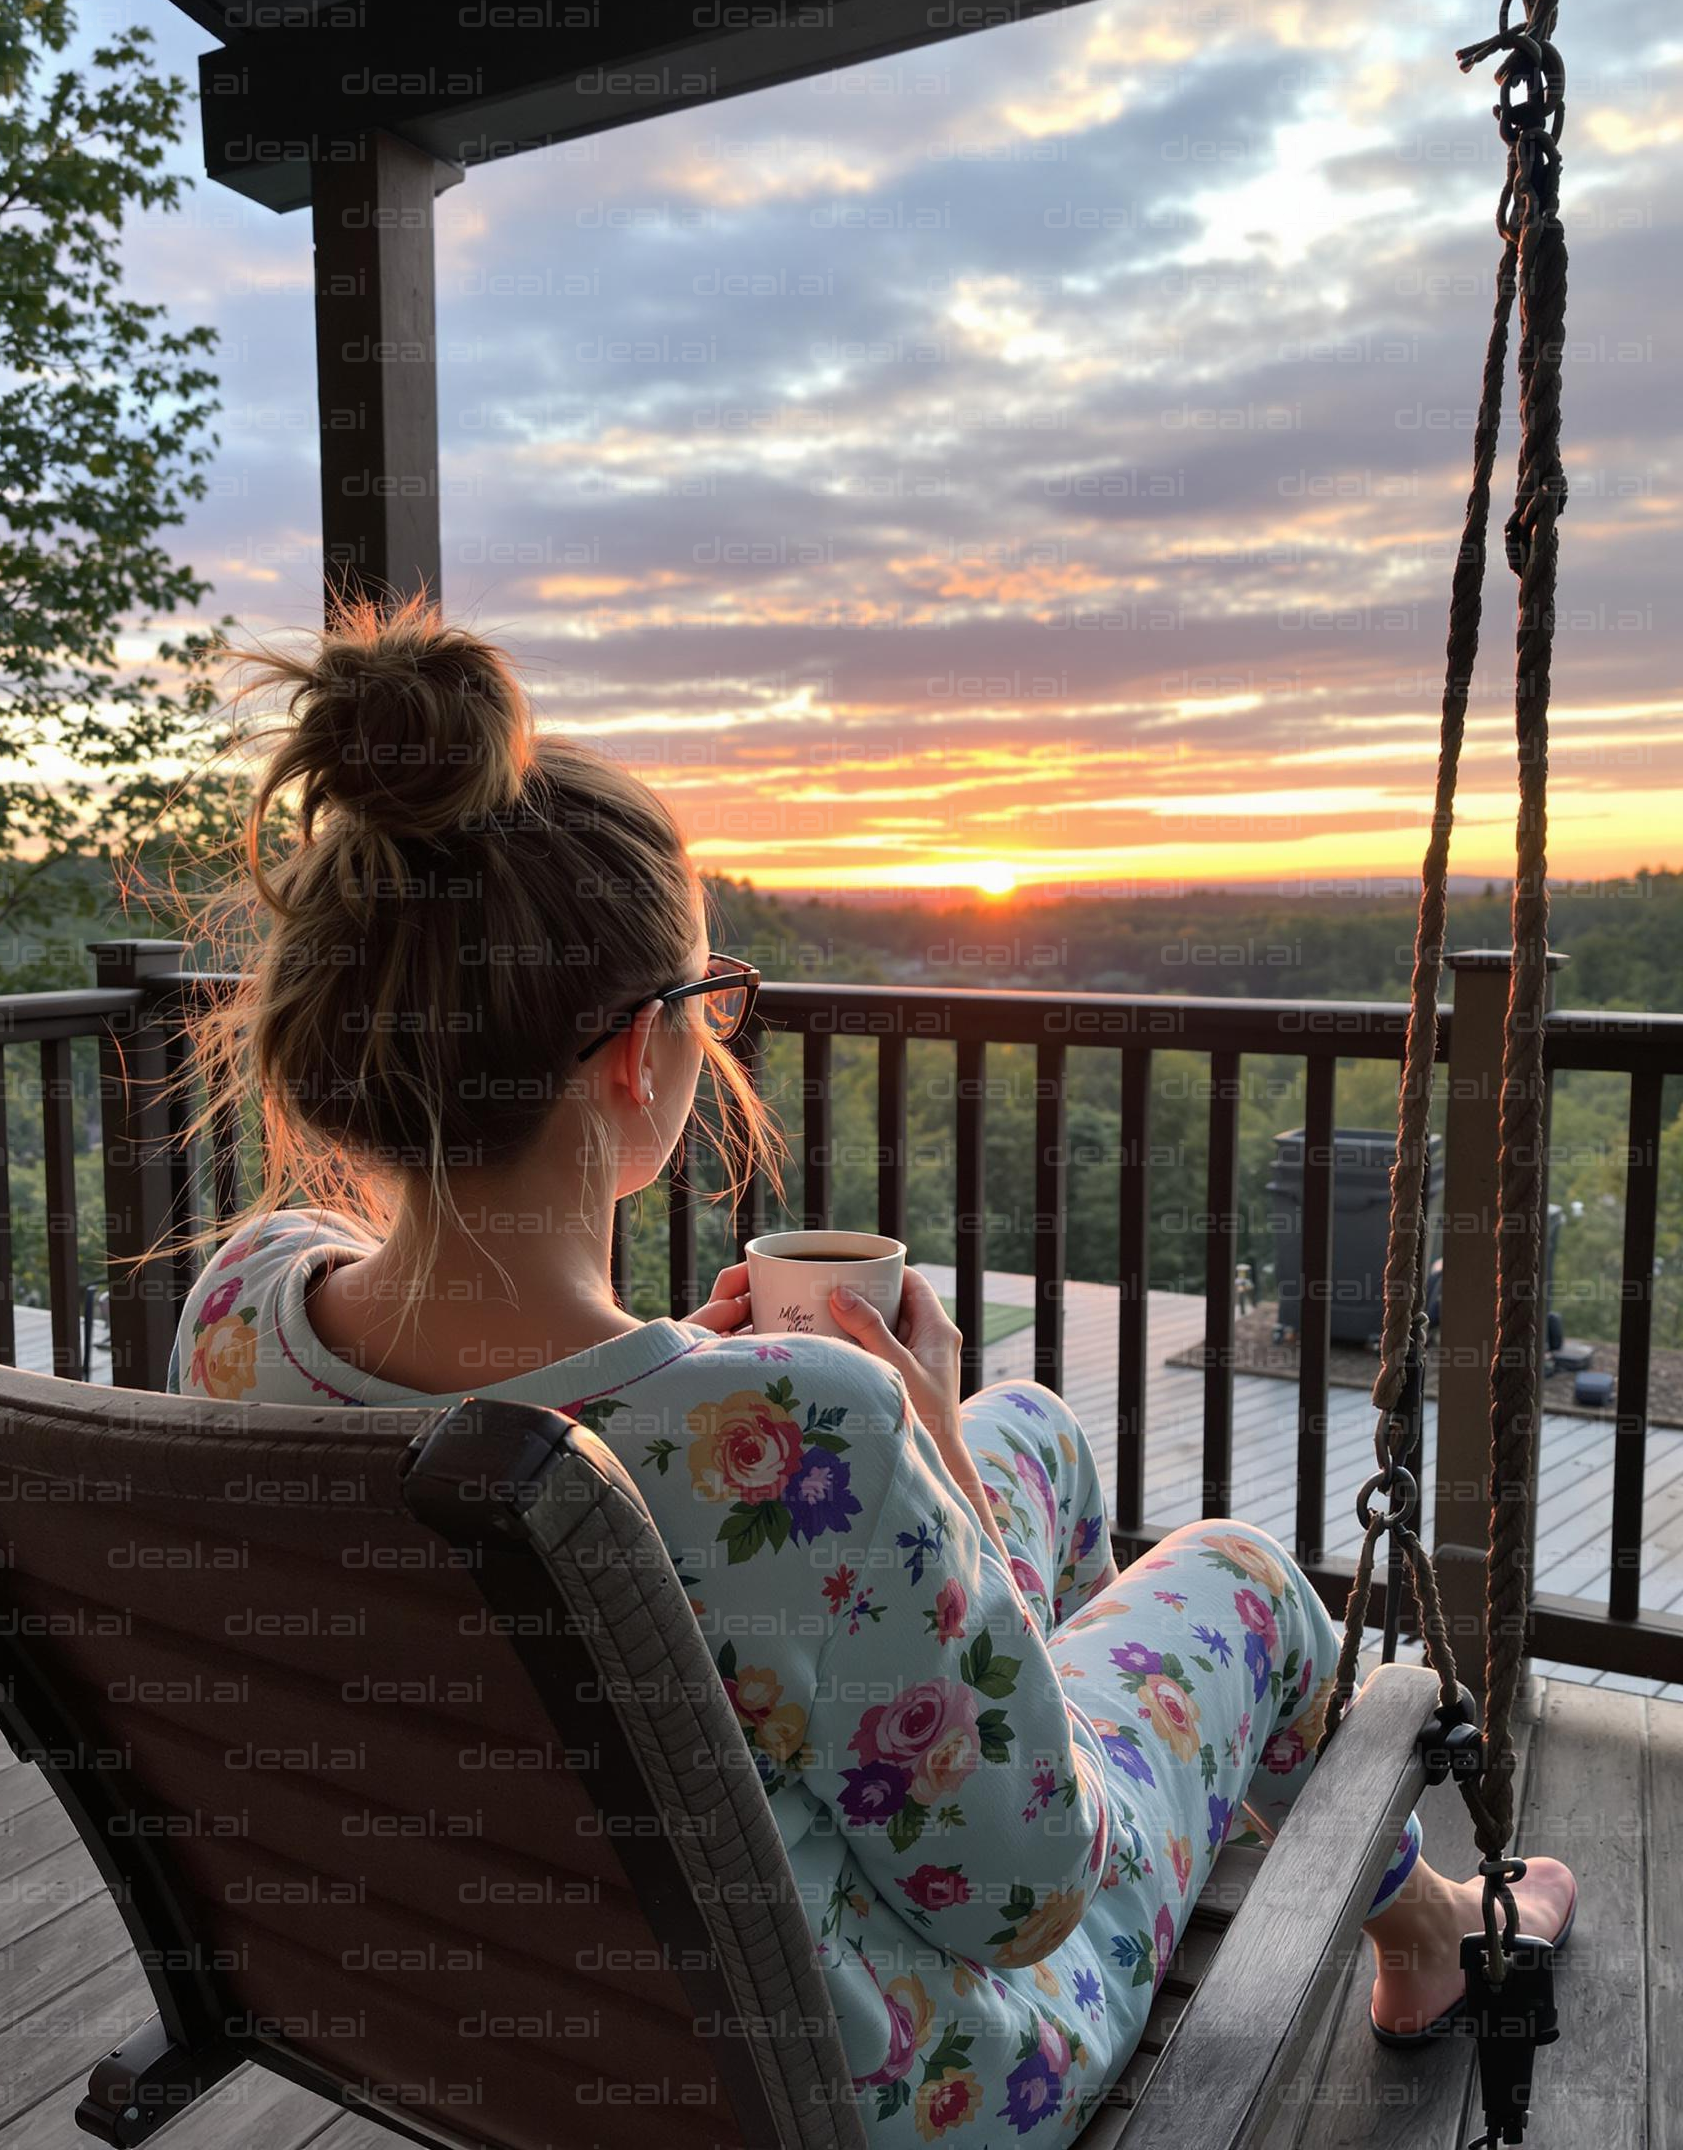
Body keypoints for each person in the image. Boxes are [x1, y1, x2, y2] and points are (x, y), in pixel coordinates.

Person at [167, 594, 1575, 2145]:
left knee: (1028, 1422)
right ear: (639, 1054)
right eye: (712, 1005)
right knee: (1238, 1574)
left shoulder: (244, 1304)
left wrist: (723, 1390)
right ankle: (1432, 1934)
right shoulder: (789, 1429)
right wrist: (913, 1441)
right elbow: (1029, 1888)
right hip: (875, 2075)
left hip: (470, 1973)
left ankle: (1046, 1680)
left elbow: (537, 1444)